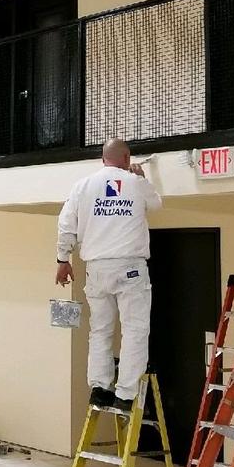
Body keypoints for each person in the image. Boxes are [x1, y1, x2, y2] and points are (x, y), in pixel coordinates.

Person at [55, 138, 162, 412]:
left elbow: (66, 224)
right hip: (130, 267)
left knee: (100, 330)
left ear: (103, 159)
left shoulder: (82, 186)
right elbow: (156, 204)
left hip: (97, 268)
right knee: (134, 329)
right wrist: (142, 178)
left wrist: (63, 260)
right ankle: (125, 393)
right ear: (127, 158)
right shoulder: (135, 183)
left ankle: (100, 388)